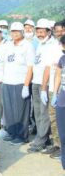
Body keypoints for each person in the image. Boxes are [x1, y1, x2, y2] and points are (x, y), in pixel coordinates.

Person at [2, 22, 35, 145]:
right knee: (9, 110)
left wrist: (26, 85)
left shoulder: (27, 46)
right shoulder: (8, 45)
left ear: (22, 32)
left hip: (20, 82)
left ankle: (22, 136)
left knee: (21, 110)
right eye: (12, 31)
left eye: (17, 31)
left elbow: (30, 67)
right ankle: (12, 133)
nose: (14, 33)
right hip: (7, 81)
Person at [28, 19, 53, 152]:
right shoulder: (40, 45)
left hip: (45, 84)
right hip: (36, 82)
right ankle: (44, 137)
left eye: (42, 31)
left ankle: (41, 140)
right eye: (38, 31)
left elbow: (48, 68)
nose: (39, 34)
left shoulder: (51, 45)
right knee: (37, 112)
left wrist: (44, 88)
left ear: (49, 32)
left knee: (44, 113)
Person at [41, 22, 64, 158]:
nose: (59, 33)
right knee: (54, 118)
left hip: (63, 89)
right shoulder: (52, 47)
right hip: (53, 88)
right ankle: (57, 145)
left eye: (62, 30)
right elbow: (48, 68)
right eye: (57, 31)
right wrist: (44, 88)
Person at [53, 35, 65, 169]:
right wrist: (55, 93)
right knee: (63, 135)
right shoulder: (62, 59)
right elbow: (58, 75)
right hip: (62, 101)